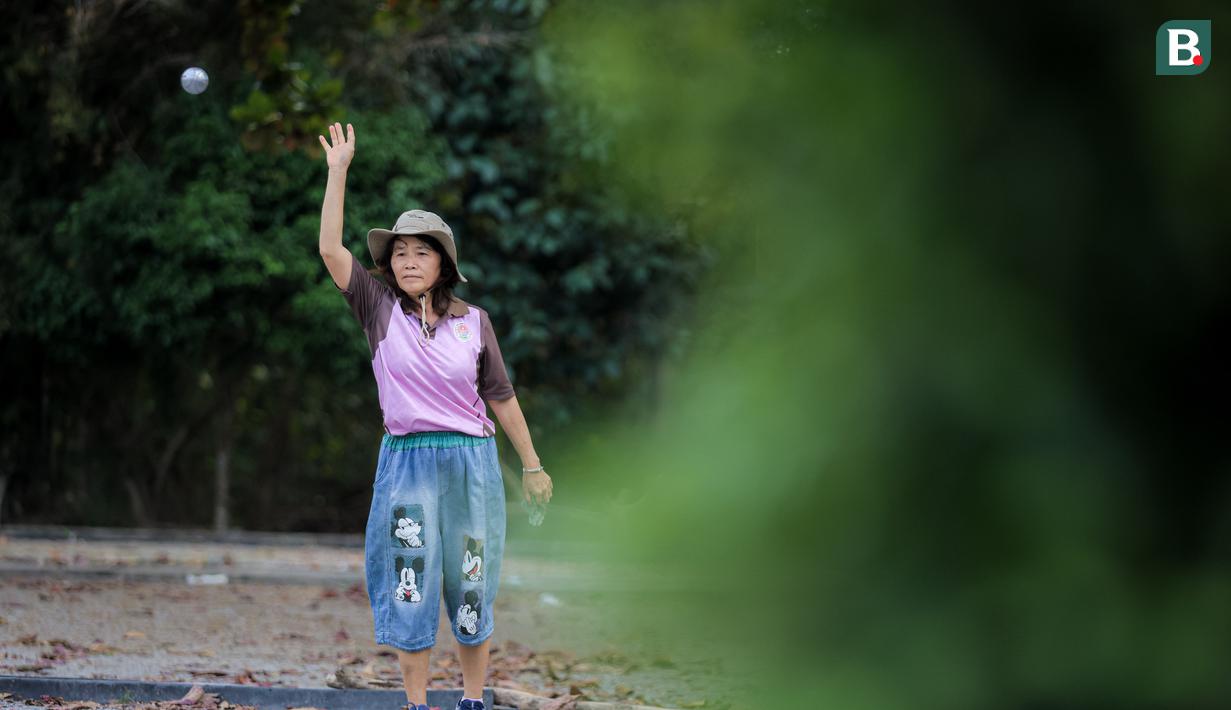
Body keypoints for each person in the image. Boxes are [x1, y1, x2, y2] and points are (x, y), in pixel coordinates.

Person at [317, 122, 553, 710]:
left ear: (443, 264)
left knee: (471, 580)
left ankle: (472, 701)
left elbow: (501, 395)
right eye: (399, 252)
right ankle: (417, 704)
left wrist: (531, 465)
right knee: (410, 582)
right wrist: (338, 170)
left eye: (421, 251)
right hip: (408, 463)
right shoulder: (376, 309)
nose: (407, 261)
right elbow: (329, 250)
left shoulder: (473, 322)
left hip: (471, 462)